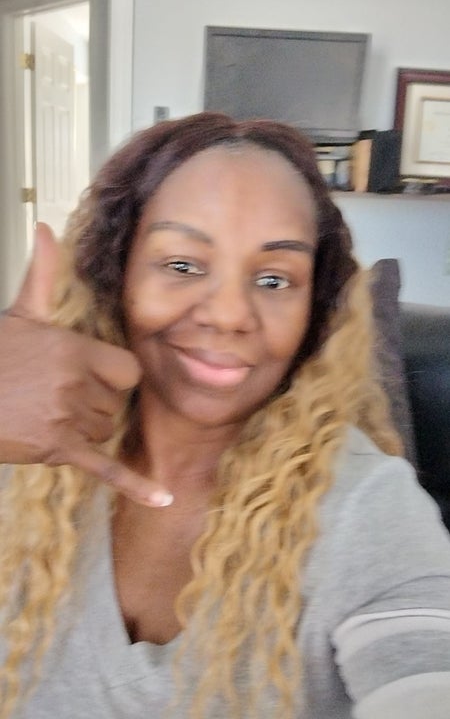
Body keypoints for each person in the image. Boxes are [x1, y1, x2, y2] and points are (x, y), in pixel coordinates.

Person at [0, 112, 450, 719]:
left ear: (314, 309)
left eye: (274, 279)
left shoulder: (364, 505)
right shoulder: (25, 451)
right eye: (183, 265)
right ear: (114, 273)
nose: (230, 315)